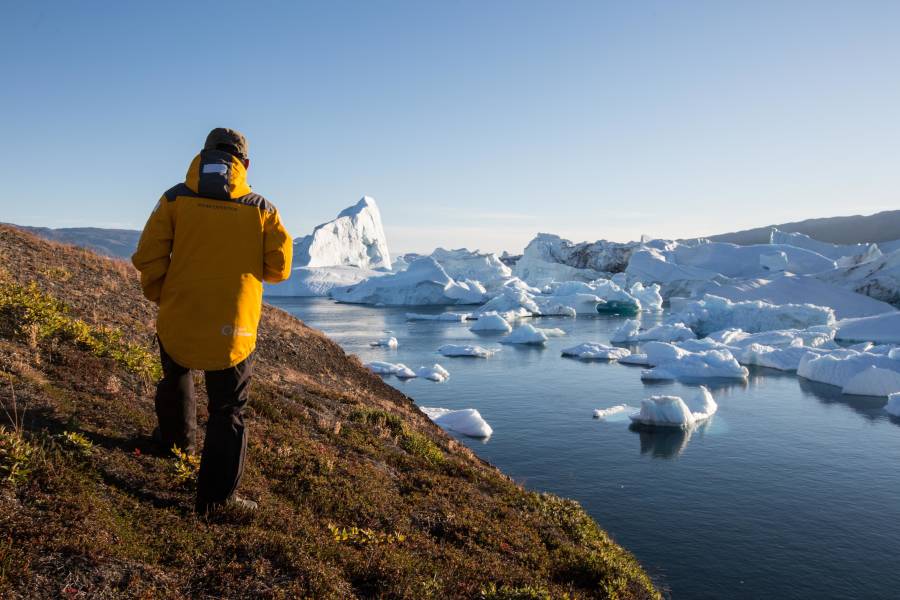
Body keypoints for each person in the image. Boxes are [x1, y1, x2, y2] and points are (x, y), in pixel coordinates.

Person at [132, 128, 292, 513]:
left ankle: (174, 445)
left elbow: (148, 256)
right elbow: (280, 267)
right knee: (228, 409)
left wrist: (162, 294)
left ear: (202, 155)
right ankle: (216, 500)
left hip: (179, 312)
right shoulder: (262, 209)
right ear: (245, 164)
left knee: (176, 376)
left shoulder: (174, 199)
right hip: (233, 326)